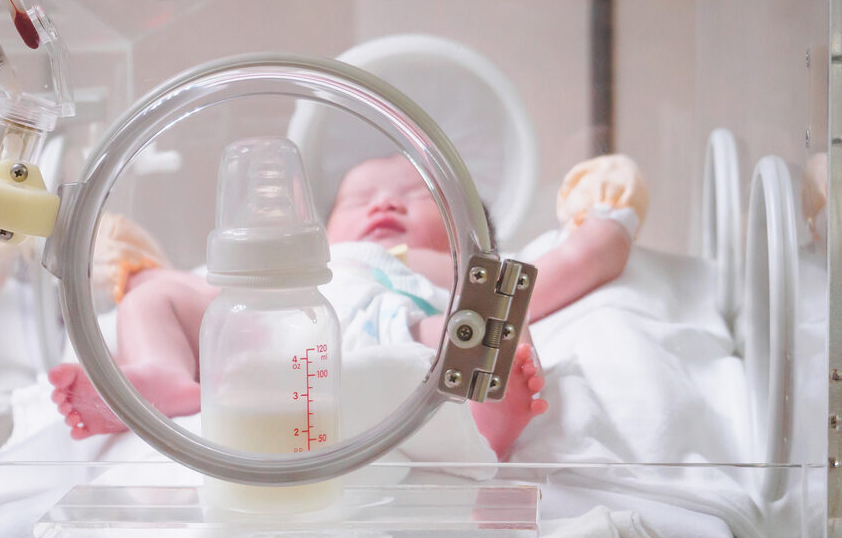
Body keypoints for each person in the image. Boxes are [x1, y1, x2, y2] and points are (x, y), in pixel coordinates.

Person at [49, 153, 647, 459]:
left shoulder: (442, 268)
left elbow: (563, 271)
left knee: (495, 309)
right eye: (358, 197)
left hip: (403, 337)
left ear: (467, 235)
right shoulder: (307, 257)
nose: (383, 204)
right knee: (158, 294)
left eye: (416, 196)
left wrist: (606, 221)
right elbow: (195, 289)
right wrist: (151, 279)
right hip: (272, 331)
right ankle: (162, 380)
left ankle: (487, 416)